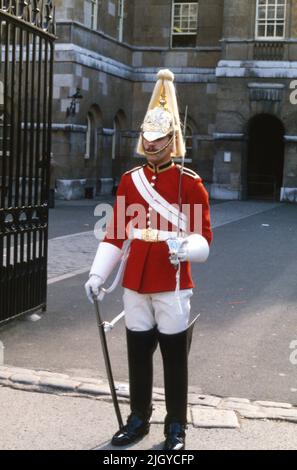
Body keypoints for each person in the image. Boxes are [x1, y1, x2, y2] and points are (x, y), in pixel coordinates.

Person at [85, 69, 212, 450]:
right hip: (135, 280)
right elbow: (117, 233)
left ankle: (176, 427)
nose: (152, 146)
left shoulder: (190, 183)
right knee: (137, 354)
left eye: (159, 140)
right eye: (148, 140)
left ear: (173, 141)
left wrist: (185, 248)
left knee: (175, 359)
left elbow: (204, 239)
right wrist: (97, 274)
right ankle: (138, 418)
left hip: (171, 280)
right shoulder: (130, 181)